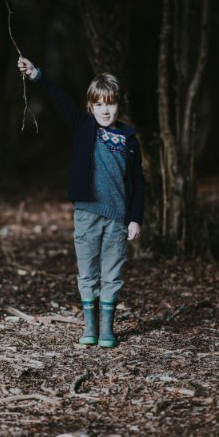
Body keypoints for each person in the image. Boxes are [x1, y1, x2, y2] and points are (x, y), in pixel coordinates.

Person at [17, 56, 145, 348]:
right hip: (87, 213)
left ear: (118, 105)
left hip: (118, 217)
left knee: (112, 273)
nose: (105, 110)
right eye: (98, 104)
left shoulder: (128, 139)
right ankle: (89, 327)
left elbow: (138, 183)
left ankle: (107, 329)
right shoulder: (83, 127)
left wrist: (135, 217)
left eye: (109, 104)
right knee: (88, 270)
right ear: (90, 107)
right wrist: (36, 74)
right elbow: (58, 98)